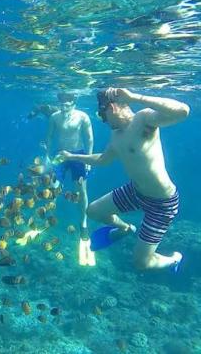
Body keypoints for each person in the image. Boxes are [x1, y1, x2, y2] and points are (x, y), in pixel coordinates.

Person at [57, 88, 189, 271]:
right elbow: (103, 160)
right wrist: (72, 156)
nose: (103, 120)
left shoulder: (143, 120)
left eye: (102, 115)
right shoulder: (116, 135)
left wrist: (135, 97)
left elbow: (182, 111)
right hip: (135, 192)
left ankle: (174, 260)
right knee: (93, 211)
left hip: (162, 203)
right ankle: (125, 228)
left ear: (111, 107)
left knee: (142, 263)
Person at [45, 92, 94, 266]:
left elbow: (89, 138)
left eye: (68, 105)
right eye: (62, 105)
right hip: (60, 155)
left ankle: (83, 224)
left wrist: (88, 159)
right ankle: (48, 219)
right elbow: (49, 137)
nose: (65, 108)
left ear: (74, 103)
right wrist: (46, 157)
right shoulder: (54, 117)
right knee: (51, 186)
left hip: (78, 155)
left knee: (81, 190)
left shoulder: (83, 116)